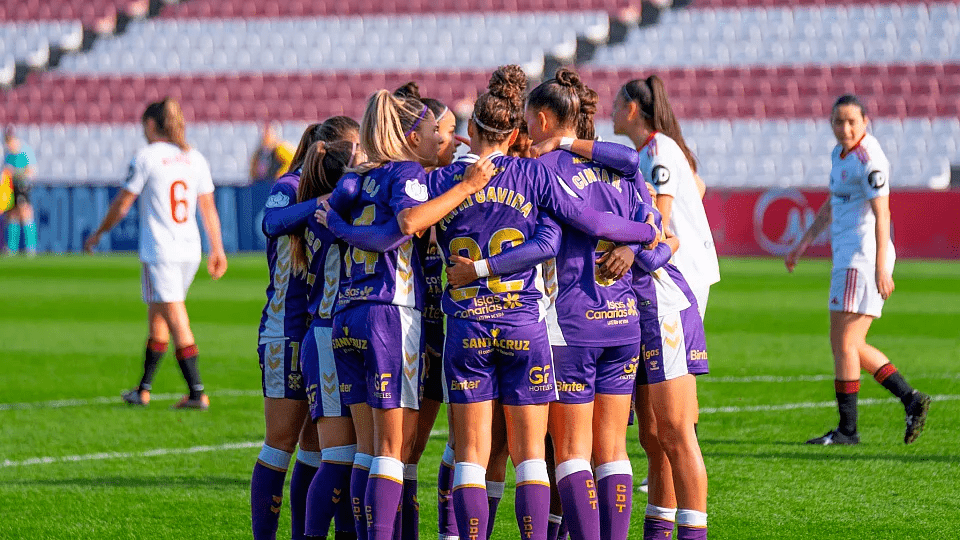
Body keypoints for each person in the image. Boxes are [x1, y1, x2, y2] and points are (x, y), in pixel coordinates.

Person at [323, 65, 659, 540]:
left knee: (470, 458)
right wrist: (645, 232)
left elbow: (408, 222)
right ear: (516, 132)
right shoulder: (535, 173)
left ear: (471, 129)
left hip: (466, 327)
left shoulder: (440, 179)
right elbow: (558, 235)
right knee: (532, 458)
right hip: (524, 324)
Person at [786, 94, 931, 446]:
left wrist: (881, 267)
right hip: (848, 258)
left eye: (852, 121)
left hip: (860, 259)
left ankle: (849, 430)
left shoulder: (869, 159)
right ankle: (909, 399)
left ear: (865, 121)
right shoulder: (839, 155)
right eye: (839, 121)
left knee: (845, 343)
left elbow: (883, 214)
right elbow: (832, 204)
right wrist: (803, 243)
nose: (845, 128)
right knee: (849, 344)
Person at [251, 116, 360, 540]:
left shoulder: (339, 193)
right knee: (281, 443)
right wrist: (321, 203)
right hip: (286, 329)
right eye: (353, 148)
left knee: (319, 450)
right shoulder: (290, 185)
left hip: (322, 330)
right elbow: (271, 222)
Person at [83, 98, 227, 409]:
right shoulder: (194, 158)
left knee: (176, 317)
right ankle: (143, 390)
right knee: (159, 316)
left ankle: (197, 392)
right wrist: (217, 248)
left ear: (150, 125)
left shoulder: (146, 157)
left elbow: (123, 204)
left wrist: (99, 233)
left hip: (161, 250)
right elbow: (208, 208)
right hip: (189, 249)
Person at [612, 76, 720, 320]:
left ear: (631, 109)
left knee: (678, 344)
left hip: (684, 268)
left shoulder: (658, 150)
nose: (611, 113)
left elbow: (660, 221)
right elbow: (698, 186)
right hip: (681, 264)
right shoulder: (653, 149)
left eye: (616, 106)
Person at [3, 127, 37, 255]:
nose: (9, 143)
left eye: (10, 140)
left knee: (25, 212)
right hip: (11, 187)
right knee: (12, 215)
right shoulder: (8, 155)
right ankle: (12, 247)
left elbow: (31, 171)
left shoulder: (25, 151)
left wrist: (16, 173)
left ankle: (31, 247)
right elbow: (6, 171)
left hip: (23, 186)